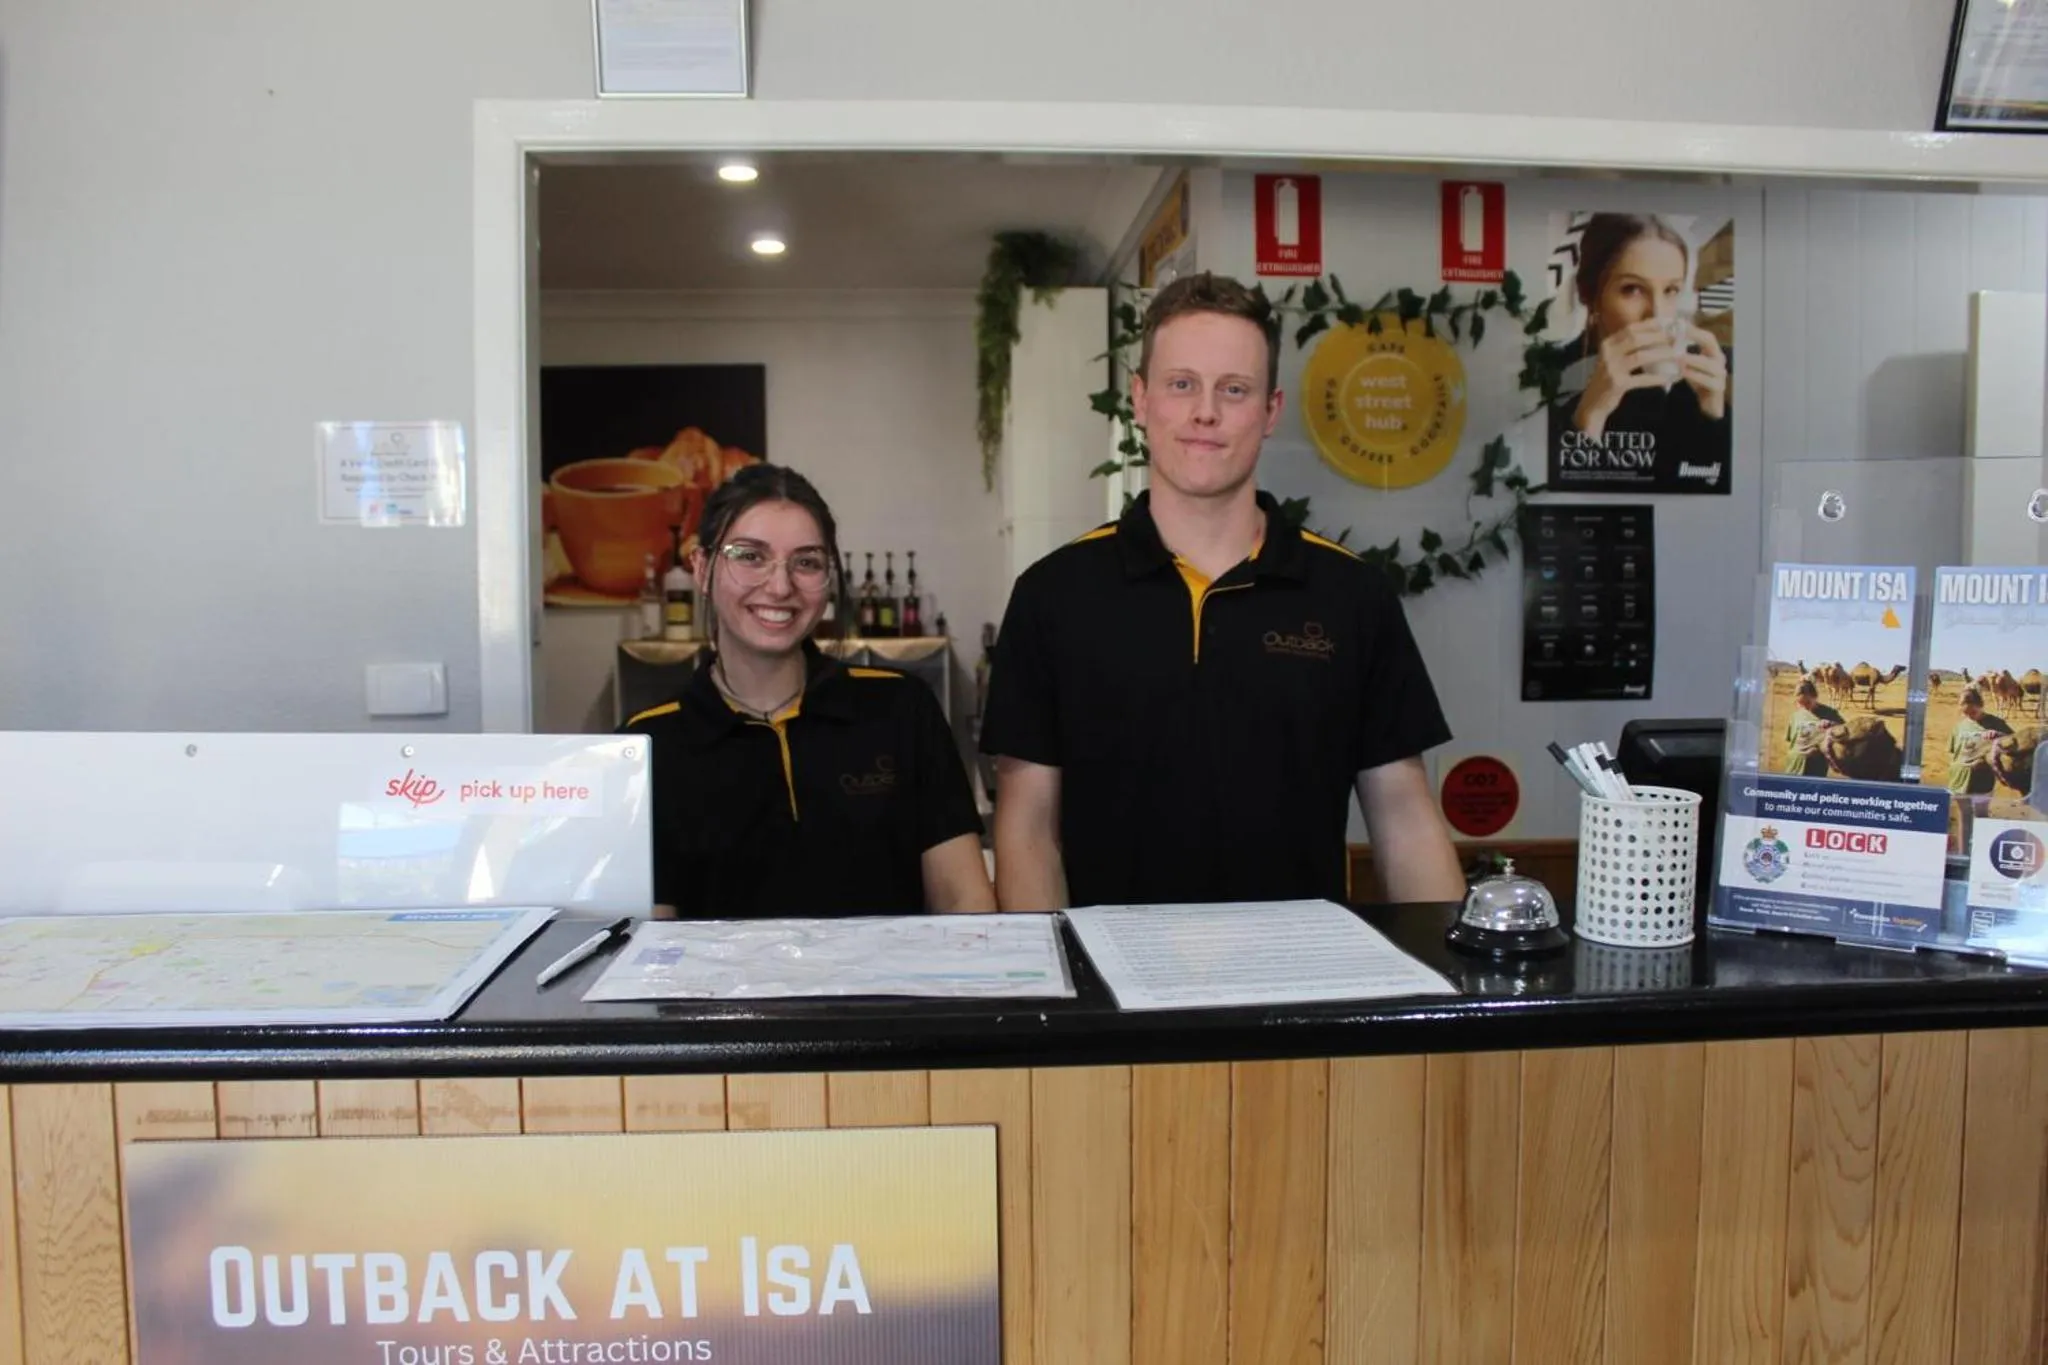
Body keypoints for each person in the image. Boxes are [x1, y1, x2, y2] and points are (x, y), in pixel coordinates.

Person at [980, 271, 1466, 911]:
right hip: (1114, 991)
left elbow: (1403, 816)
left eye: (1233, 390)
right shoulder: (1053, 596)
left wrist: (1458, 988)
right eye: (1182, 385)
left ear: (1270, 412)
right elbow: (1028, 829)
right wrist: (1055, 997)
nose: (1205, 411)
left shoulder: (1353, 597)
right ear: (1142, 399)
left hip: (1300, 989)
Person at [620, 464, 995, 917]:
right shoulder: (648, 745)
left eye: (806, 562)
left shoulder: (900, 710)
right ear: (702, 569)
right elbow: (651, 944)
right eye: (750, 556)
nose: (780, 587)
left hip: (890, 988)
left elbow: (964, 899)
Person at [1548, 213, 1730, 475]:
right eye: (1632, 289)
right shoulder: (1550, 378)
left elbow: (1709, 487)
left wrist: (1713, 415)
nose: (1657, 314)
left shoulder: (1695, 383)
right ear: (1590, 296)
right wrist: (1590, 417)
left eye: (1671, 290)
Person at [1947, 687, 2015, 796]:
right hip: (1958, 779)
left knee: (1981, 812)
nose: (1970, 716)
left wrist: (1998, 735)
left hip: (1982, 779)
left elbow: (2015, 742)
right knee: (1964, 812)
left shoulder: (1996, 723)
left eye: (1973, 712)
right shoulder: (1959, 726)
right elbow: (1953, 754)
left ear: (1980, 705)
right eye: (1966, 713)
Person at [1781, 679, 1845, 777]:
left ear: (1815, 697)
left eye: (1807, 702)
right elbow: (1792, 742)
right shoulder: (1796, 715)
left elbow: (1845, 733)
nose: (1805, 707)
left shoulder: (1830, 714)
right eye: (1800, 703)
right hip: (1793, 768)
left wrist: (1832, 724)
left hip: (1815, 769)